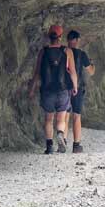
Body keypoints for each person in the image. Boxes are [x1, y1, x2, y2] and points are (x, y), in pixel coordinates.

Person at [28, 25, 79, 154]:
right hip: (63, 90)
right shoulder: (67, 51)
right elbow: (73, 72)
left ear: (49, 36)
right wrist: (75, 87)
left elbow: (37, 73)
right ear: (60, 37)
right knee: (61, 119)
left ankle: (49, 146)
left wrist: (32, 89)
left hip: (47, 90)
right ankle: (60, 134)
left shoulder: (43, 52)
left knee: (49, 119)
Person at [64, 30, 95, 153]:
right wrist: (92, 64)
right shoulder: (82, 54)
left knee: (65, 115)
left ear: (68, 40)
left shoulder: (63, 52)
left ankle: (63, 141)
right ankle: (76, 146)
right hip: (78, 87)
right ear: (77, 40)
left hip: (64, 88)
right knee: (76, 116)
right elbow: (91, 71)